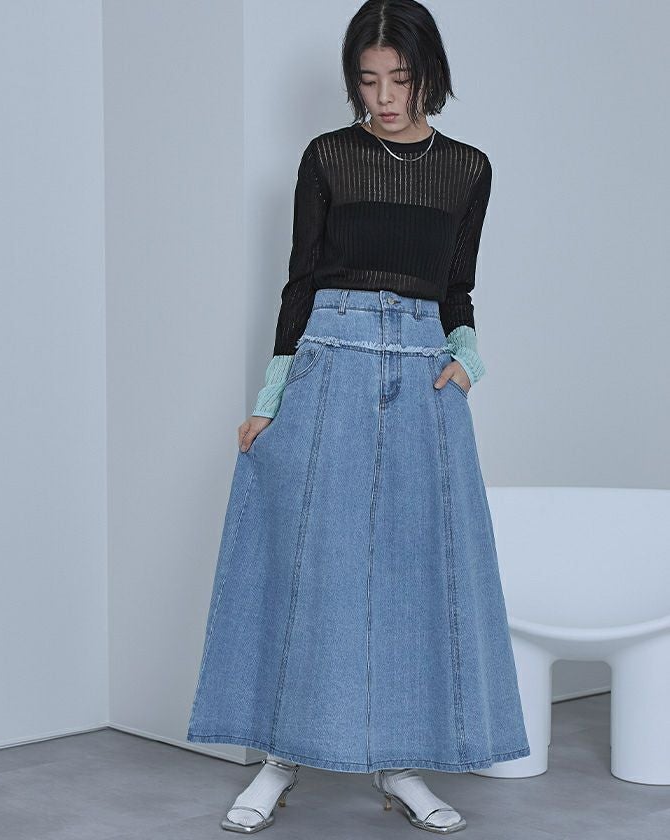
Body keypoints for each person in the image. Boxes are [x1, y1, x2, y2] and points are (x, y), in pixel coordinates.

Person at [187, 0, 530, 833]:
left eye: (399, 80)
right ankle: (279, 760)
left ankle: (398, 766)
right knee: (311, 566)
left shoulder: (469, 169)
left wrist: (470, 358)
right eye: (368, 80)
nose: (383, 98)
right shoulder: (329, 158)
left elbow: (457, 289)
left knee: (416, 571)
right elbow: (300, 281)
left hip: (422, 375)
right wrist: (270, 400)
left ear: (428, 76)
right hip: (329, 362)